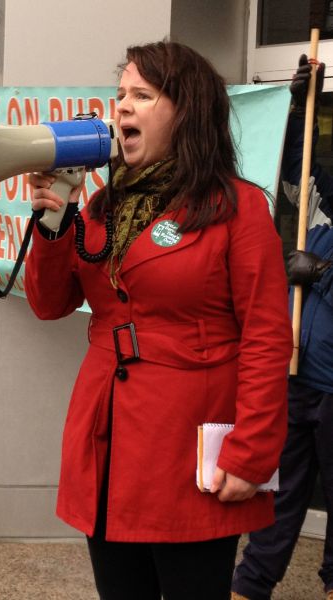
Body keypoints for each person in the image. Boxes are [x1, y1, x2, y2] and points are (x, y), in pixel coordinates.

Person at [25, 41, 293, 600]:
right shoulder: (101, 207)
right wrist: (54, 221)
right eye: (120, 94)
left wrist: (253, 451)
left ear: (187, 112)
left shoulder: (238, 210)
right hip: (107, 437)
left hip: (185, 446)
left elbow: (267, 339)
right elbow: (49, 304)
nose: (121, 106)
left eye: (142, 95)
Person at [231, 56, 333, 600]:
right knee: (281, 493)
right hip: (297, 376)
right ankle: (250, 586)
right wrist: (298, 107)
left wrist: (320, 272)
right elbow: (298, 166)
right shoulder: (317, 209)